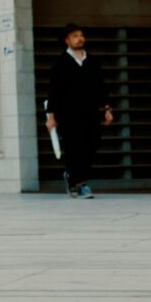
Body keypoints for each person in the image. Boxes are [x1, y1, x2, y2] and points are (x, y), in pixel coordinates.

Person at [45, 24, 113, 198]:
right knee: (75, 148)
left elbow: (101, 86)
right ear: (67, 40)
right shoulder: (60, 63)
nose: (79, 38)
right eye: (75, 36)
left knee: (92, 146)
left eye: (81, 35)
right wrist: (51, 117)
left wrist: (107, 109)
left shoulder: (92, 61)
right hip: (68, 114)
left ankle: (71, 176)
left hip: (90, 112)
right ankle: (81, 184)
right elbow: (53, 90)